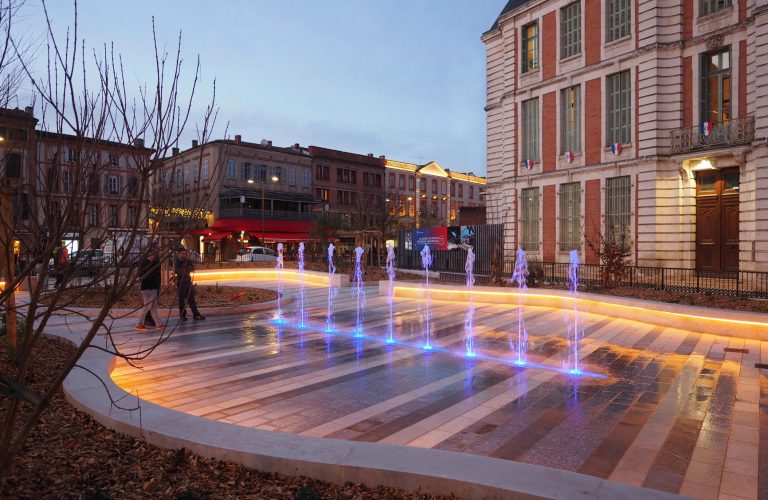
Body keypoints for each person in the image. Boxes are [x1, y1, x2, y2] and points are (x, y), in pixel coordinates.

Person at [135, 249, 164, 331]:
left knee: (153, 307)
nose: (154, 256)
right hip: (147, 287)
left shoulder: (151, 263)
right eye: (153, 254)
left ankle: (158, 324)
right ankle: (139, 324)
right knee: (147, 306)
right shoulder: (145, 263)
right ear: (149, 255)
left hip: (152, 287)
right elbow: (144, 275)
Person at [174, 247, 205, 321]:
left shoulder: (187, 261)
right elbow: (179, 272)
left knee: (191, 299)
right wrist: (186, 269)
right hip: (181, 283)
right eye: (182, 253)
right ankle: (182, 315)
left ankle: (196, 314)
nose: (184, 255)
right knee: (182, 300)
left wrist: (186, 269)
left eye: (185, 253)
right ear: (179, 254)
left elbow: (192, 268)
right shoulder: (177, 262)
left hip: (188, 282)